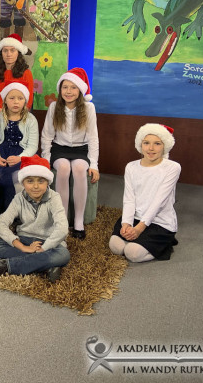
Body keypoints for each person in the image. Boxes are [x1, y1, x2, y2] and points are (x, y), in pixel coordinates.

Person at [0, 155, 70, 283]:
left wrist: (43, 248)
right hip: (24, 239)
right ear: (23, 182)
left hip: (48, 242)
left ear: (47, 182)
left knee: (63, 255)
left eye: (41, 181)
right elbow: (1, 223)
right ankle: (46, 266)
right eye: (30, 181)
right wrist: (22, 247)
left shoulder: (54, 198)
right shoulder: (19, 198)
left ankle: (6, 266)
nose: (35, 186)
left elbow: (62, 228)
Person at [41, 68, 99, 240]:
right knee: (64, 168)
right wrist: (46, 159)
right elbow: (47, 135)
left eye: (73, 87)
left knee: (80, 168)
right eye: (65, 87)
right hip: (60, 148)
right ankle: (63, 219)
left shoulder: (88, 108)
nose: (69, 91)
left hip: (81, 149)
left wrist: (94, 164)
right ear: (60, 89)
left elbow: (93, 138)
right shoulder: (54, 107)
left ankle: (79, 221)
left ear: (80, 90)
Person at [109, 124, 181, 262]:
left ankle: (164, 244)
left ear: (164, 145)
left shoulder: (172, 168)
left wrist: (139, 229)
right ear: (140, 144)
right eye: (146, 143)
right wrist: (126, 224)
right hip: (136, 217)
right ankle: (144, 243)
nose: (151, 148)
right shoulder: (131, 167)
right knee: (115, 247)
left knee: (132, 253)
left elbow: (158, 202)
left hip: (159, 222)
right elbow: (129, 199)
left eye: (157, 144)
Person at [0, 81, 39, 212]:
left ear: (25, 101)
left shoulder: (31, 119)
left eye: (20, 98)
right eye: (12, 98)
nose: (16, 102)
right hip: (2, 151)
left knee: (6, 178)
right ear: (5, 100)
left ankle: (6, 210)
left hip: (22, 153)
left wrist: (20, 158)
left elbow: (32, 146)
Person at [0, 34, 34, 115]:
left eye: (12, 50)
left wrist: (3, 112)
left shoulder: (26, 74)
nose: (9, 54)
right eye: (5, 51)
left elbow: (28, 104)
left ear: (18, 53)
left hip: (16, 116)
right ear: (1, 53)